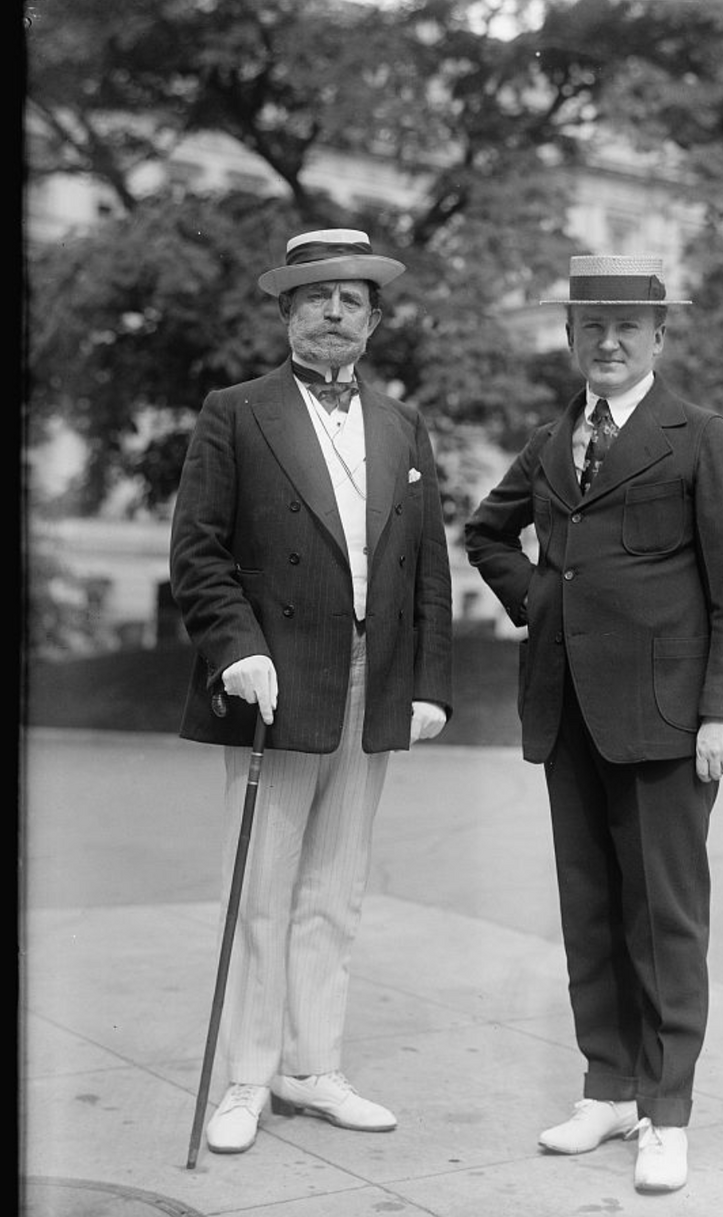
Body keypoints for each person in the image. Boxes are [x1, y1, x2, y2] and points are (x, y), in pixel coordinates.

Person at [463, 254, 723, 1193]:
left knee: (664, 916)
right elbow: (486, 532)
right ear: (568, 337)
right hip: (567, 710)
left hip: (670, 720)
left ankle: (666, 1111)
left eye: (629, 327)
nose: (608, 341)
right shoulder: (554, 440)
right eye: (591, 325)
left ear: (659, 339)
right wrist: (543, 601)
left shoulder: (700, 436)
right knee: (589, 905)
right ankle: (608, 1085)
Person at [169, 228, 453, 1155]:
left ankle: (311, 1065)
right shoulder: (236, 411)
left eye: (353, 300)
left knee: (337, 888)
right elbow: (199, 549)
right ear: (287, 311)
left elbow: (427, 571)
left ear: (373, 322)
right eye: (317, 297)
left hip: (374, 681)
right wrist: (235, 649)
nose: (335, 314)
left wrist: (428, 682)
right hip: (277, 683)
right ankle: (247, 1077)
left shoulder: (405, 426)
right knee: (261, 886)